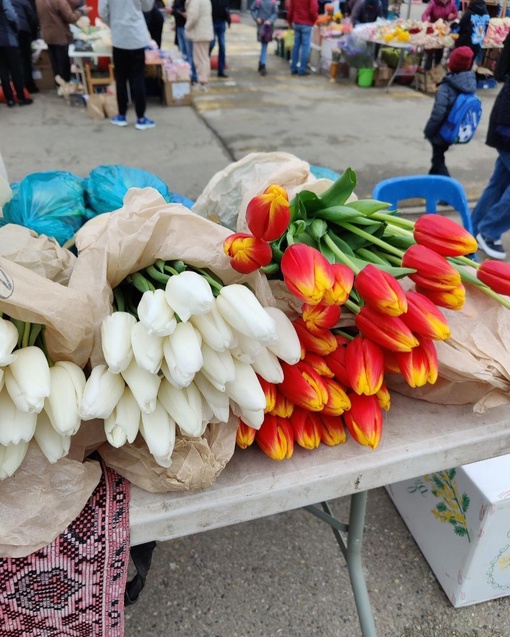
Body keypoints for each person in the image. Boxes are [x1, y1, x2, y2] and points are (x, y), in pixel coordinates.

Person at [471, 32, 510, 260]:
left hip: (504, 123)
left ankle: (473, 228)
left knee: (499, 182)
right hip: (506, 125)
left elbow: (500, 71)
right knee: (499, 182)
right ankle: (488, 231)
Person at [98, 0, 156, 131]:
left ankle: (122, 115)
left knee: (121, 78)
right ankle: (141, 118)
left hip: (119, 37)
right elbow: (147, 7)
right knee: (138, 78)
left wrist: (113, 23)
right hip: (136, 36)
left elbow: (102, 12)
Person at [423, 46, 476, 177]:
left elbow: (438, 113)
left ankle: (449, 191)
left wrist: (428, 131)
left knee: (438, 160)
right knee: (437, 158)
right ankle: (431, 182)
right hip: (454, 130)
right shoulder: (469, 83)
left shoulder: (447, 86)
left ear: (451, 64)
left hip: (441, 131)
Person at [35, 0, 90, 84]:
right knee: (63, 64)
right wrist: (81, 11)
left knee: (55, 62)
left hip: (47, 35)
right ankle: (66, 85)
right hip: (59, 35)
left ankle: (59, 85)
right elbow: (71, 18)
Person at [0, 0, 33, 105]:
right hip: (8, 38)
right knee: (16, 69)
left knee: (2, 70)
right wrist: (16, 26)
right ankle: (21, 97)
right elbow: (11, 14)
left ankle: (9, 99)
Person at [421, 0, 457, 71]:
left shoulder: (451, 3)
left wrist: (453, 16)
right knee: (429, 53)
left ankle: (436, 71)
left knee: (439, 51)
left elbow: (455, 13)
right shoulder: (433, 2)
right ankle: (426, 71)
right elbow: (424, 15)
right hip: (433, 32)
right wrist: (427, 23)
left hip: (443, 32)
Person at [185, 0, 213, 90]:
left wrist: (187, 26)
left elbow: (193, 16)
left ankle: (202, 81)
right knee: (204, 58)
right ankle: (204, 81)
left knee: (199, 59)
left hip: (199, 32)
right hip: (206, 31)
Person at [11, 0, 39, 93]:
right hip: (23, 31)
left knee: (15, 61)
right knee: (26, 59)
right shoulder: (23, 1)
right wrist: (34, 34)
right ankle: (29, 85)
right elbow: (32, 17)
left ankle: (18, 87)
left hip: (10, 33)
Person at [168, 0, 198, 84]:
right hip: (179, 27)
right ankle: (185, 74)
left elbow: (186, 11)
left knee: (189, 54)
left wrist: (175, 11)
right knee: (183, 54)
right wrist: (172, 11)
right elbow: (176, 9)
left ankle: (192, 76)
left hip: (186, 27)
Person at [451, 0, 489, 66]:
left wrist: (453, 25)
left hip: (465, 45)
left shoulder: (469, 13)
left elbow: (458, 29)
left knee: (460, 66)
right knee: (469, 65)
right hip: (477, 45)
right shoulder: (487, 15)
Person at [287, 0, 318, 77]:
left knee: (296, 45)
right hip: (306, 23)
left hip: (296, 22)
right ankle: (302, 69)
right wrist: (315, 20)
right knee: (305, 47)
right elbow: (313, 9)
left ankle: (293, 67)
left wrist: (290, 21)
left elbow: (291, 9)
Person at [250, 0, 278, 76]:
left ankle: (262, 63)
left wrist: (256, 18)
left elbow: (252, 9)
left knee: (264, 45)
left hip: (265, 27)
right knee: (264, 45)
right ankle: (262, 64)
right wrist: (269, 20)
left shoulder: (262, 1)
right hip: (265, 26)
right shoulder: (272, 2)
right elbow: (275, 13)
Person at [209, 0, 230, 78]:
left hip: (221, 22)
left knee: (222, 46)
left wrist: (228, 19)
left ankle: (221, 70)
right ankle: (206, 63)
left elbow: (226, 8)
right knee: (211, 44)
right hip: (212, 22)